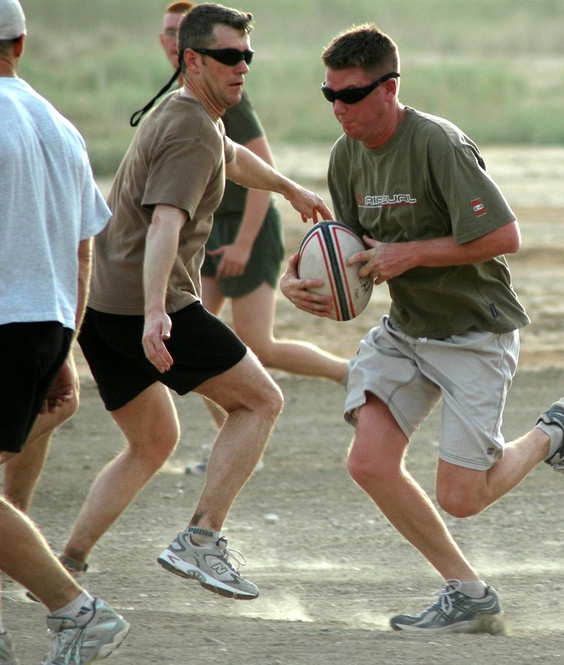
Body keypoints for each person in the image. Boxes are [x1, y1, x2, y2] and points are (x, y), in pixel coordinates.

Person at [280, 23, 564, 632]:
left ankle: (553, 435)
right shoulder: (345, 155)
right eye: (329, 96)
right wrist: (298, 276)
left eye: (351, 95)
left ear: (389, 89)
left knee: (462, 497)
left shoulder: (438, 144)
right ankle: (468, 592)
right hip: (407, 329)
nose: (339, 109)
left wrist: (410, 255)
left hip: (474, 330)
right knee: (369, 463)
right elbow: (347, 248)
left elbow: (505, 237)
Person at [48, 2, 333, 602]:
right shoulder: (189, 127)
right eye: (229, 57)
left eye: (247, 57)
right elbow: (166, 224)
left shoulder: (190, 113)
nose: (241, 67)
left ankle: (66, 563)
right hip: (149, 307)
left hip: (103, 309)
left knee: (152, 442)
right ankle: (202, 539)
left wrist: (287, 188)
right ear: (192, 60)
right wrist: (157, 311)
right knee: (260, 401)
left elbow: (233, 156)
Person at [157, 1, 350, 475]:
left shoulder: (224, 95)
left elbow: (261, 166)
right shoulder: (181, 94)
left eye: (177, 30)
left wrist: (244, 243)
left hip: (249, 225)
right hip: (211, 233)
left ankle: (350, 373)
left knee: (256, 345)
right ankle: (234, 442)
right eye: (165, 31)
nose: (168, 38)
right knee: (192, 339)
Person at [0, 0, 131, 662]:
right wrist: (65, 347)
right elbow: (84, 248)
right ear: (20, 43)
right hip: (45, 323)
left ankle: (76, 611)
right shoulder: (61, 125)